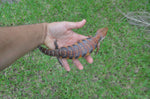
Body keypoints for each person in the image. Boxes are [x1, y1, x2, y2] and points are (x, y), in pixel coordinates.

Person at [0, 19, 93, 71]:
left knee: (56, 53)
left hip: (60, 49)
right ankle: (41, 47)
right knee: (56, 53)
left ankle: (41, 47)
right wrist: (44, 32)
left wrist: (44, 32)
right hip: (61, 50)